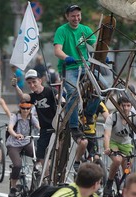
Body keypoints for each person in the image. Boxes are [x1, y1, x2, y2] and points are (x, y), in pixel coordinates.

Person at [53, 4, 101, 141]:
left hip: (86, 66)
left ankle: (89, 113)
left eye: (78, 15)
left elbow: (96, 45)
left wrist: (101, 53)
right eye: (73, 16)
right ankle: (74, 126)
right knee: (72, 93)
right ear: (67, 16)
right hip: (69, 68)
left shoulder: (85, 29)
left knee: (101, 88)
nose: (76, 18)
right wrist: (66, 57)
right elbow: (57, 50)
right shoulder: (62, 30)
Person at [13, 69, 58, 176]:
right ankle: (46, 177)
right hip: (44, 130)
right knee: (41, 156)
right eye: (29, 83)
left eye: (34, 82)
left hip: (57, 128)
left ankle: (53, 174)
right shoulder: (33, 96)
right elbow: (23, 97)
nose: (32, 85)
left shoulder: (50, 91)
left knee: (55, 154)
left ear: (40, 81)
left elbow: (59, 98)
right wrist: (15, 86)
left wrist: (61, 99)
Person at [103, 96, 136, 196]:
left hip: (126, 145)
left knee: (127, 172)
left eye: (128, 105)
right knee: (117, 160)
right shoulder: (112, 117)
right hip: (113, 142)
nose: (126, 108)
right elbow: (107, 135)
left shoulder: (134, 117)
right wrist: (107, 148)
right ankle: (109, 182)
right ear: (118, 106)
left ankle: (123, 193)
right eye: (123, 105)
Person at [7, 101, 39, 197]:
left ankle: (34, 185)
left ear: (30, 109)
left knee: (38, 158)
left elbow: (38, 127)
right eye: (23, 108)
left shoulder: (32, 118)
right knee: (17, 165)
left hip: (26, 143)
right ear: (20, 108)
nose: (25, 110)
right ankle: (13, 187)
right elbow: (10, 128)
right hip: (13, 144)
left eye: (28, 108)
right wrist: (16, 135)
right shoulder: (15, 117)